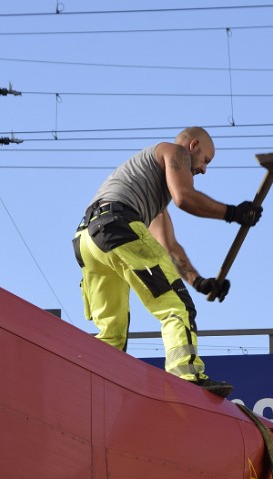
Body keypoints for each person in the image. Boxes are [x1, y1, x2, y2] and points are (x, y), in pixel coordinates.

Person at [72, 127, 262, 398]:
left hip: (88, 240)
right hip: (117, 226)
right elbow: (184, 197)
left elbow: (168, 247)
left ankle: (85, 379)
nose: (204, 170)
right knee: (176, 306)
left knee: (112, 333)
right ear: (193, 145)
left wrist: (199, 281)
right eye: (206, 160)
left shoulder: (145, 192)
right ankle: (187, 377)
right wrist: (233, 213)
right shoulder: (173, 152)